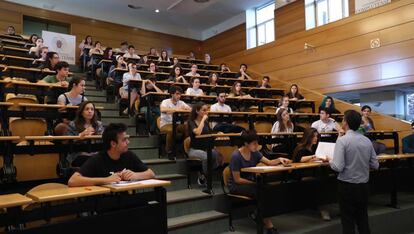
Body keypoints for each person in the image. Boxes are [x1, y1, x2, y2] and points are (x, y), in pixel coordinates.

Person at [228, 130, 291, 234]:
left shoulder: (255, 153)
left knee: (269, 189)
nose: (257, 145)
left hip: (251, 184)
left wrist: (280, 159)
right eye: (254, 143)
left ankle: (259, 215)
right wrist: (254, 183)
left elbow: (270, 162)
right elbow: (237, 179)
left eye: (257, 142)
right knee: (261, 191)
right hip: (237, 186)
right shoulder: (236, 156)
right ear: (246, 144)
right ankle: (269, 226)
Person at [328, 109, 379, 234]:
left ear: (346, 122)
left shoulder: (342, 140)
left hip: (347, 187)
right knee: (363, 219)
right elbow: (375, 165)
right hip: (363, 186)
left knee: (348, 221)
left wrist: (330, 160)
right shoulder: (367, 141)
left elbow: (338, 167)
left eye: (343, 119)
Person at [68, 123, 155, 187]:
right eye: (124, 140)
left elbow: (151, 173)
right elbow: (73, 181)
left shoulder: (129, 155)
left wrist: (136, 175)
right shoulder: (97, 159)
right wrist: (106, 180)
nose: (128, 142)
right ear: (113, 144)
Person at [292, 127, 331, 221]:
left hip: (312, 172)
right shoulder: (301, 148)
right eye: (313, 137)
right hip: (302, 174)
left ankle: (321, 205)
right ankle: (322, 207)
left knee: (325, 174)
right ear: (308, 137)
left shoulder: (313, 148)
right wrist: (313, 157)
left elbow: (314, 159)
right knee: (320, 179)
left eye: (316, 137)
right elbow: (299, 159)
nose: (315, 139)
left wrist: (319, 158)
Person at [188, 102, 222, 186]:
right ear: (197, 111)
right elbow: (198, 132)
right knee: (207, 157)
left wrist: (218, 133)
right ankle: (207, 178)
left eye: (207, 110)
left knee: (217, 155)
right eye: (204, 110)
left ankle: (203, 175)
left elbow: (210, 134)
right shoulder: (191, 122)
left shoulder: (206, 122)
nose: (206, 112)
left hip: (207, 148)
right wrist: (203, 120)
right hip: (194, 150)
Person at [65, 101, 104, 166]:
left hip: (95, 154)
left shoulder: (98, 124)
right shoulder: (73, 124)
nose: (90, 111)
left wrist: (94, 136)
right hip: (79, 155)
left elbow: (102, 140)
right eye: (87, 109)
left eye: (92, 109)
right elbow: (68, 142)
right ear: (81, 112)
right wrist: (80, 136)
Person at [160, 86, 191, 153]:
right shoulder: (165, 101)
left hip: (177, 124)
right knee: (172, 130)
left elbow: (190, 110)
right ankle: (169, 151)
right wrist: (176, 110)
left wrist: (185, 109)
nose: (179, 96)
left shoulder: (181, 102)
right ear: (172, 94)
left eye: (180, 94)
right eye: (177, 94)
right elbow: (162, 109)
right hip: (166, 124)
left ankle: (184, 147)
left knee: (188, 128)